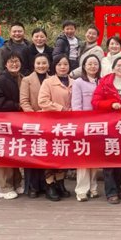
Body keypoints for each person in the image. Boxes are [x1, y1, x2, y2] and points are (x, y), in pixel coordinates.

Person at [91, 57, 121, 204]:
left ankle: (118, 187)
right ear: (113, 67)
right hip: (109, 124)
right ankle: (110, 192)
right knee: (109, 158)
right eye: (119, 65)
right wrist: (111, 104)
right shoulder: (105, 82)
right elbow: (95, 102)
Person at [38, 54, 73, 201]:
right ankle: (50, 184)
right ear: (54, 66)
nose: (63, 67)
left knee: (63, 153)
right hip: (50, 124)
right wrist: (61, 108)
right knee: (50, 154)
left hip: (68, 125)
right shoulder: (48, 82)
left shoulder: (74, 82)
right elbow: (42, 101)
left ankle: (60, 182)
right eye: (59, 64)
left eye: (65, 64)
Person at [0, 52, 24, 200]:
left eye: (17, 62)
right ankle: (5, 187)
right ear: (5, 64)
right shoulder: (1, 80)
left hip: (19, 122)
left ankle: (16, 182)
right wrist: (16, 105)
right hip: (4, 122)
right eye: (11, 62)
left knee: (15, 152)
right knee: (4, 154)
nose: (14, 64)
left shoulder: (22, 77)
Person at [19, 53, 51, 198]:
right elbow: (24, 101)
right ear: (33, 65)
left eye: (44, 63)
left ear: (48, 65)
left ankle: (46, 184)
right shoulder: (26, 80)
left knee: (46, 153)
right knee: (32, 154)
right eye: (38, 63)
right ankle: (32, 186)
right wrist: (34, 116)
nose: (41, 66)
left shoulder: (52, 79)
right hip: (32, 122)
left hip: (49, 121)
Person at [71, 54, 102, 202]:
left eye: (95, 64)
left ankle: (93, 187)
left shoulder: (102, 81)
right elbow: (76, 105)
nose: (92, 66)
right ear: (84, 66)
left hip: (99, 125)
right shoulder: (78, 82)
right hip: (84, 125)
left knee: (95, 157)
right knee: (83, 158)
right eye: (89, 64)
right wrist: (80, 124)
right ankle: (82, 190)